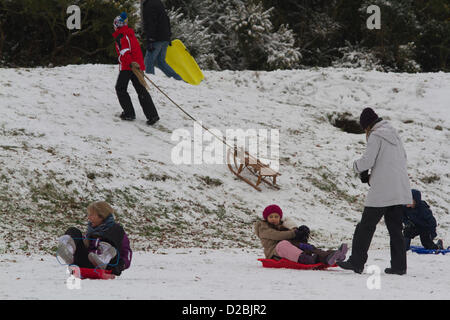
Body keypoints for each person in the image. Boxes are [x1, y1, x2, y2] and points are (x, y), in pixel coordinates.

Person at [337, 107, 412, 275]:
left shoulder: (376, 135)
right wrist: (374, 176)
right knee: (395, 228)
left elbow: (367, 161)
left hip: (382, 192)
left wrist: (356, 167)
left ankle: (356, 262)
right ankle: (399, 266)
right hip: (399, 189)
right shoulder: (394, 135)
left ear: (367, 125)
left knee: (366, 226)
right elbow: (400, 160)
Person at [254, 204, 348, 265]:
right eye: (271, 217)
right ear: (266, 218)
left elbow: (291, 236)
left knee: (303, 246)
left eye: (276, 216)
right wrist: (294, 233)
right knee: (283, 244)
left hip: (288, 249)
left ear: (280, 217)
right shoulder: (263, 228)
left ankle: (329, 255)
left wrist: (300, 233)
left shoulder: (282, 226)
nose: (274, 219)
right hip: (274, 253)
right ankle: (307, 259)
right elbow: (276, 235)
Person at [56, 201, 132, 276]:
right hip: (89, 261)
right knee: (73, 230)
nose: (89, 218)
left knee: (116, 228)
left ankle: (105, 257)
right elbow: (85, 245)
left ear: (101, 216)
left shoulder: (116, 231)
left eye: (92, 215)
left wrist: (122, 265)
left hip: (107, 265)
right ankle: (68, 251)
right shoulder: (91, 231)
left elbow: (126, 252)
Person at [113, 12, 160, 126]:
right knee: (141, 89)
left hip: (129, 66)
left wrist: (130, 64)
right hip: (136, 65)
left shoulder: (122, 36)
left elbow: (125, 52)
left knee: (120, 88)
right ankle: (152, 115)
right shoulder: (129, 34)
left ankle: (129, 113)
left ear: (117, 25)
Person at [141, 0, 182, 80]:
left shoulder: (149, 5)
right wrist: (168, 35)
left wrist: (150, 38)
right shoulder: (158, 3)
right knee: (160, 61)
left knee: (149, 60)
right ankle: (178, 79)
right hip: (164, 36)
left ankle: (150, 80)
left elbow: (151, 22)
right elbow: (166, 19)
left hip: (157, 37)